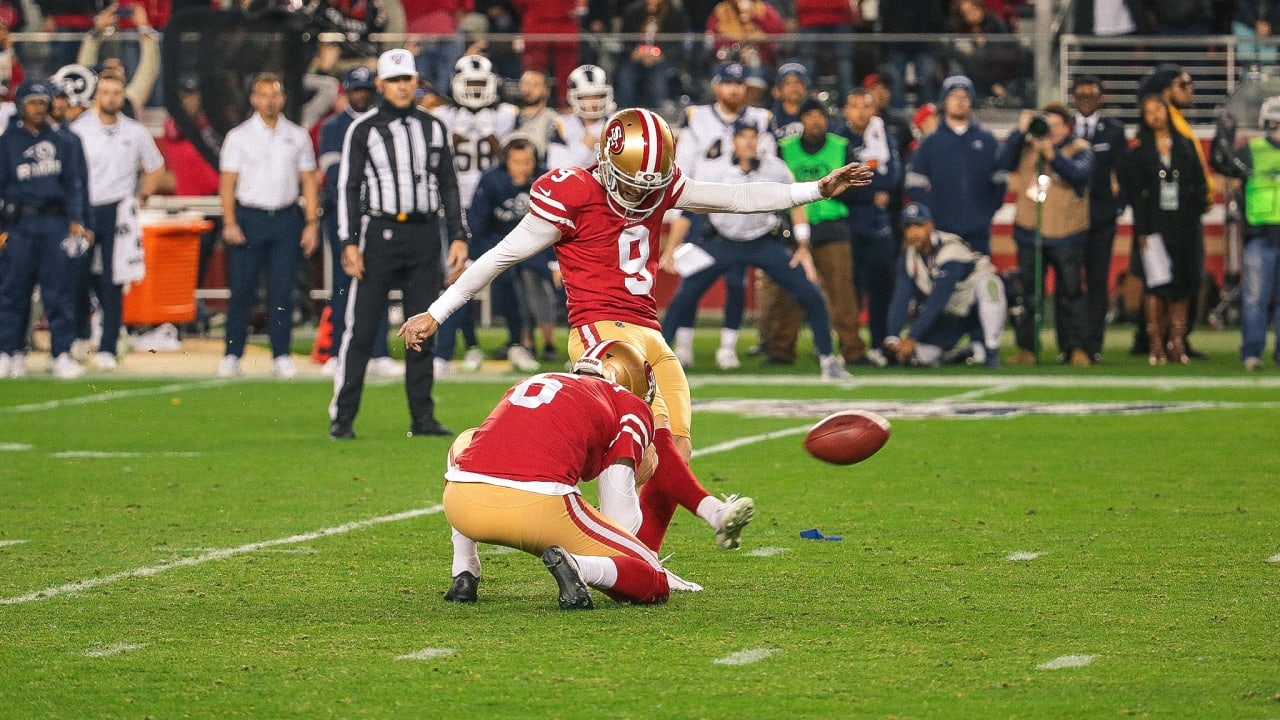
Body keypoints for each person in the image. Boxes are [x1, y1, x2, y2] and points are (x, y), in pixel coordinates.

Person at [399, 107, 873, 553]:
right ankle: (696, 517)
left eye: (650, 185)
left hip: (649, 330)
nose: (639, 195)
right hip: (601, 334)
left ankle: (640, 556)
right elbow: (499, 256)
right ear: (607, 163)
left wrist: (815, 191)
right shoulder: (572, 192)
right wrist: (436, 313)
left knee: (675, 451)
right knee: (646, 446)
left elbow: (736, 197)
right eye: (629, 183)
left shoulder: (659, 184)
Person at [442, 340, 675, 609]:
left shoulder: (531, 380)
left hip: (461, 503)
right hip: (539, 509)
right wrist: (636, 480)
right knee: (654, 577)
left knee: (467, 439)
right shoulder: (628, 403)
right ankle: (578, 567)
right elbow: (619, 518)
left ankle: (464, 570)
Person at [329, 48, 469, 440]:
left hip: (425, 234)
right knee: (361, 329)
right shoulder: (364, 128)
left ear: (416, 81)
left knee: (423, 328)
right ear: (380, 85)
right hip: (380, 233)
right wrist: (348, 241)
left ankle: (422, 417)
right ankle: (343, 417)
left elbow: (449, 184)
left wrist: (458, 235)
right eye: (393, 80)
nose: (401, 86)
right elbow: (348, 187)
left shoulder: (434, 126)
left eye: (406, 78)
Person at [661, 121, 846, 379]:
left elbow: (797, 203)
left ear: (759, 141)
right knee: (683, 298)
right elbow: (687, 212)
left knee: (811, 293)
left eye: (753, 137)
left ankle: (828, 360)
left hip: (762, 241)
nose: (748, 142)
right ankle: (656, 361)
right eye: (742, 137)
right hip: (722, 242)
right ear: (732, 141)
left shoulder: (774, 168)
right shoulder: (712, 168)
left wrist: (803, 245)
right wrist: (670, 249)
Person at [665, 61, 775, 370]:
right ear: (716, 86)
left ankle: (727, 347)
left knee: (736, 281)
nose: (734, 89)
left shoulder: (760, 119)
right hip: (701, 207)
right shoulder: (697, 117)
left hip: (739, 206)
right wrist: (681, 208)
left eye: (739, 84)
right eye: (728, 83)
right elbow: (683, 166)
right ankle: (683, 344)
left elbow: (768, 162)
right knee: (691, 279)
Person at [217, 73, 320, 379]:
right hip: (249, 217)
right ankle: (232, 354)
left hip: (286, 217)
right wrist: (229, 222)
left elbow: (308, 180)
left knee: (282, 291)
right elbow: (227, 183)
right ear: (253, 99)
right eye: (263, 95)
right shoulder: (239, 136)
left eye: (274, 95)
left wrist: (311, 223)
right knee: (242, 291)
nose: (269, 101)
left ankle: (281, 355)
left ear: (283, 98)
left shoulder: (297, 135)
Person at [433, 53, 523, 376]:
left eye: (480, 83)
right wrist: (455, 136)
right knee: (458, 279)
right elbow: (436, 160)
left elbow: (514, 158)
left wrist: (490, 135)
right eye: (469, 83)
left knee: (505, 278)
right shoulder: (442, 115)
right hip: (455, 208)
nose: (474, 89)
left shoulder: (506, 114)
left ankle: (517, 343)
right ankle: (468, 344)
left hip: (493, 209)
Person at [69, 71, 165, 372]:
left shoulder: (135, 132)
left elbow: (156, 166)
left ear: (123, 96)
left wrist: (141, 198)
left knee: (113, 280)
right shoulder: (80, 129)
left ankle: (109, 345)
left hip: (118, 211)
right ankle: (80, 337)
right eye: (106, 92)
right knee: (77, 276)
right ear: (96, 96)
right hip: (85, 210)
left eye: (116, 92)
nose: (111, 98)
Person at [761, 97, 867, 368]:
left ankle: (853, 350)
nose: (815, 120)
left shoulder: (841, 146)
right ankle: (782, 349)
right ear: (801, 120)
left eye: (819, 115)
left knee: (842, 292)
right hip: (795, 229)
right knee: (789, 291)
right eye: (809, 115)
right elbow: (773, 185)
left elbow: (856, 184)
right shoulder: (784, 148)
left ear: (827, 119)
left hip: (832, 228)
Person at [0, 80, 90, 380]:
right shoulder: (7, 142)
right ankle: (9, 352)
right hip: (19, 224)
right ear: (21, 106)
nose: (39, 108)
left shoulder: (64, 141)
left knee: (58, 292)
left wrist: (76, 220)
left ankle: (61, 353)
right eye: (33, 103)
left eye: (43, 102)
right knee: (13, 292)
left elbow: (74, 184)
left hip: (54, 223)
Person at [316, 66, 400, 379]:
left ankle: (378, 351)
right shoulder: (333, 127)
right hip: (344, 214)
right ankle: (339, 351)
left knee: (378, 283)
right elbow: (334, 176)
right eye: (356, 90)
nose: (361, 95)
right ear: (347, 92)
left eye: (366, 90)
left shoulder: (386, 122)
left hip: (379, 214)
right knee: (343, 283)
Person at [996, 103, 1094, 367]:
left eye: (1055, 125)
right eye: (1045, 124)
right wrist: (1019, 132)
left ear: (1067, 127)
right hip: (1030, 231)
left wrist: (1054, 156)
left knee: (1071, 294)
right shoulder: (1027, 146)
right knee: (1028, 294)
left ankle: (1075, 348)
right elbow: (1002, 162)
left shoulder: (1081, 149)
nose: (1049, 130)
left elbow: (1079, 175)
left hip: (1067, 233)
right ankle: (1027, 348)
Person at [1121, 93, 1208, 365]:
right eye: (1148, 111)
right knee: (1156, 285)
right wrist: (1142, 231)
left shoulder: (1185, 145)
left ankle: (1177, 342)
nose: (1155, 115)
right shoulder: (1140, 151)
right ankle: (1156, 344)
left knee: (1182, 283)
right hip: (1154, 226)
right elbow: (1135, 195)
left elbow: (1199, 183)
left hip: (1184, 226)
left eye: (1158, 109)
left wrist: (1194, 212)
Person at [466, 135, 556, 372]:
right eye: (517, 162)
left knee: (535, 280)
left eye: (528, 161)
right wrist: (474, 255)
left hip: (540, 245)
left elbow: (558, 221)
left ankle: (548, 342)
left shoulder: (546, 179)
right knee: (509, 284)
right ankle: (521, 342)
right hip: (502, 244)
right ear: (506, 161)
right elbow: (478, 223)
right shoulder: (491, 181)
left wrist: (555, 261)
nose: (523, 168)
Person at [884, 203, 1006, 368]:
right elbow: (901, 296)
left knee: (990, 285)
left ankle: (991, 350)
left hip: (973, 308)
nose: (913, 232)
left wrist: (912, 337)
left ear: (930, 225)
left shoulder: (949, 248)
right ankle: (962, 352)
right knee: (922, 356)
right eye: (908, 227)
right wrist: (892, 337)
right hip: (950, 312)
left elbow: (938, 299)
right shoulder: (908, 256)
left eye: (918, 225)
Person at [904, 74, 1005, 255]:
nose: (960, 101)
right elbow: (914, 183)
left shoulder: (988, 141)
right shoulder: (930, 143)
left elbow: (1000, 180)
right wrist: (931, 214)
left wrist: (986, 212)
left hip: (979, 233)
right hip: (942, 232)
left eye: (965, 96)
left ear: (971, 101)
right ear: (945, 101)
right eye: (953, 96)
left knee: (979, 272)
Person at [1214, 96, 1280, 371]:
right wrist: (1224, 132)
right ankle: (1251, 353)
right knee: (1254, 299)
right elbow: (1221, 162)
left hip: (1262, 235)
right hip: (1259, 234)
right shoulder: (1251, 150)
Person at [837, 87, 900, 365]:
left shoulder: (884, 135)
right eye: (855, 106)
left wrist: (860, 188)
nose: (861, 112)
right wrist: (870, 192)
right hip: (847, 223)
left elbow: (893, 177)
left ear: (874, 109)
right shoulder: (838, 139)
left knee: (881, 289)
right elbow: (840, 184)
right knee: (848, 291)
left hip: (878, 226)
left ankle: (878, 344)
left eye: (866, 106)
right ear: (846, 110)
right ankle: (849, 346)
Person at [1071, 75, 1128, 364]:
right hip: (1069, 218)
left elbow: (1125, 172)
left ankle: (1093, 345)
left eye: (1091, 95)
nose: (1086, 100)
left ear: (1101, 98)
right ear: (1073, 98)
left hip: (1101, 218)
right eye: (1081, 95)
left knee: (1097, 282)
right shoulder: (1064, 129)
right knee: (1070, 283)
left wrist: (1117, 208)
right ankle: (1070, 345)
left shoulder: (1114, 131)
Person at [615, 0, 689, 112]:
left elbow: (678, 42)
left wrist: (662, 55)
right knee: (626, 76)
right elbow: (624, 39)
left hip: (662, 60)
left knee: (659, 79)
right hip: (635, 58)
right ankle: (625, 113)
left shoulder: (675, 14)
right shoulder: (633, 11)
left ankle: (660, 114)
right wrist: (633, 52)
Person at [547, 64, 616, 172]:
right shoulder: (562, 125)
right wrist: (584, 148)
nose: (593, 102)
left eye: (597, 95)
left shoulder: (616, 123)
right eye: (587, 96)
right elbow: (555, 169)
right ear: (574, 97)